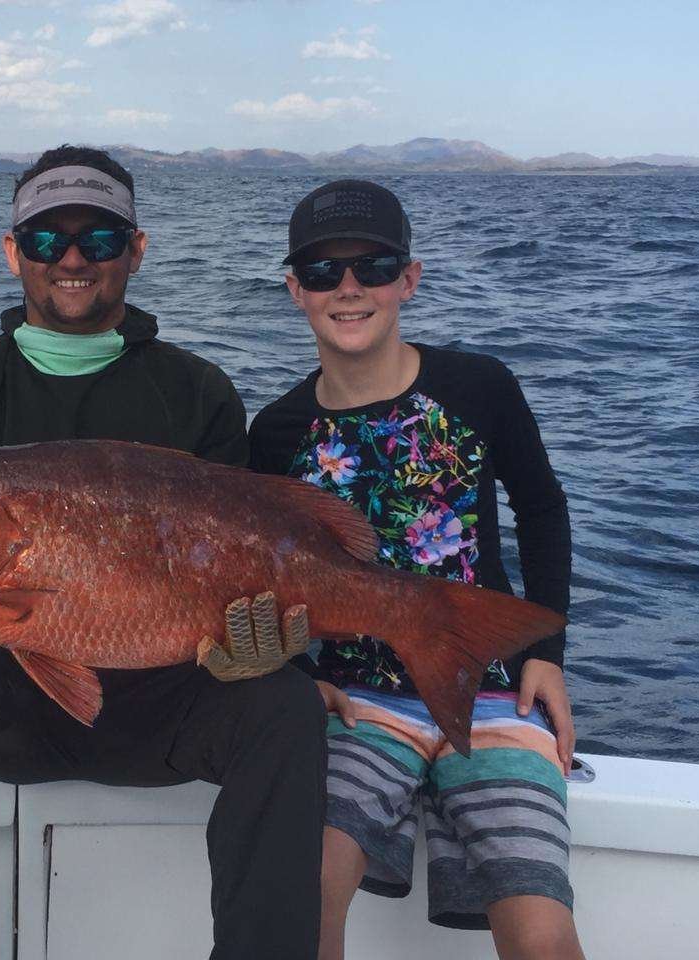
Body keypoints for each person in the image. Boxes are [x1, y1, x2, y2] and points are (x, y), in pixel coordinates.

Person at [0, 145, 327, 960]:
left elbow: (250, 566)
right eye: (48, 240)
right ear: (14, 252)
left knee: (287, 705)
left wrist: (258, 646)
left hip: (166, 707)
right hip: (5, 711)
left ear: (138, 249)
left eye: (100, 238)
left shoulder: (200, 392)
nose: (74, 259)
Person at [248, 180, 586, 960]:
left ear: (410, 277)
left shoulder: (480, 387)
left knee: (541, 926)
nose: (350, 287)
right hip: (355, 702)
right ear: (295, 289)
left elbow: (542, 508)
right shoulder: (277, 433)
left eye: (374, 264)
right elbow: (258, 576)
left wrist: (547, 655)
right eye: (324, 272)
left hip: (493, 685)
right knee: (306, 897)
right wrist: (299, 677)